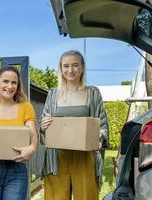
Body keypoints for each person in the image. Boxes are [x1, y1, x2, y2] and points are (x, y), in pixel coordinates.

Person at [40, 50, 109, 200]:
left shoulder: (93, 93)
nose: (70, 70)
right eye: (66, 66)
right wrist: (43, 126)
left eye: (75, 65)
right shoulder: (52, 94)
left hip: (84, 156)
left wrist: (99, 136)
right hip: (56, 157)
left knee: (86, 196)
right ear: (61, 68)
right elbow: (43, 125)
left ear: (82, 68)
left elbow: (102, 124)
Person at [0, 66, 38, 200]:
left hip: (17, 169)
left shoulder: (25, 107)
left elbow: (33, 136)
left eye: (14, 82)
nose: (10, 86)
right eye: (6, 81)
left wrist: (31, 149)